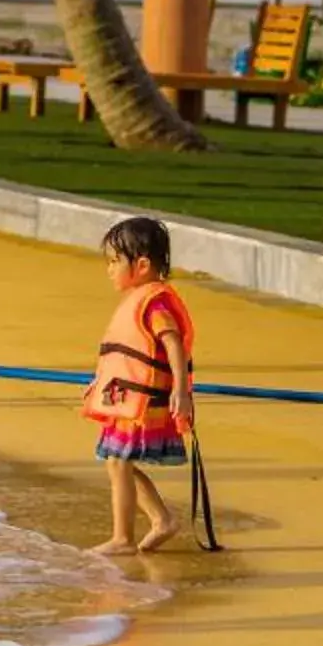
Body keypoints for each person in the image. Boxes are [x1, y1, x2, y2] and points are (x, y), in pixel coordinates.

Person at [84, 215, 198, 554]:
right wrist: (97, 385)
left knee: (118, 461)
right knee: (117, 460)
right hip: (126, 398)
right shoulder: (141, 299)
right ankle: (161, 520)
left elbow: (173, 343)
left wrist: (181, 391)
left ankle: (123, 538)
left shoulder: (155, 304)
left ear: (143, 264)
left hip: (142, 403)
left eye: (115, 262)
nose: (109, 269)